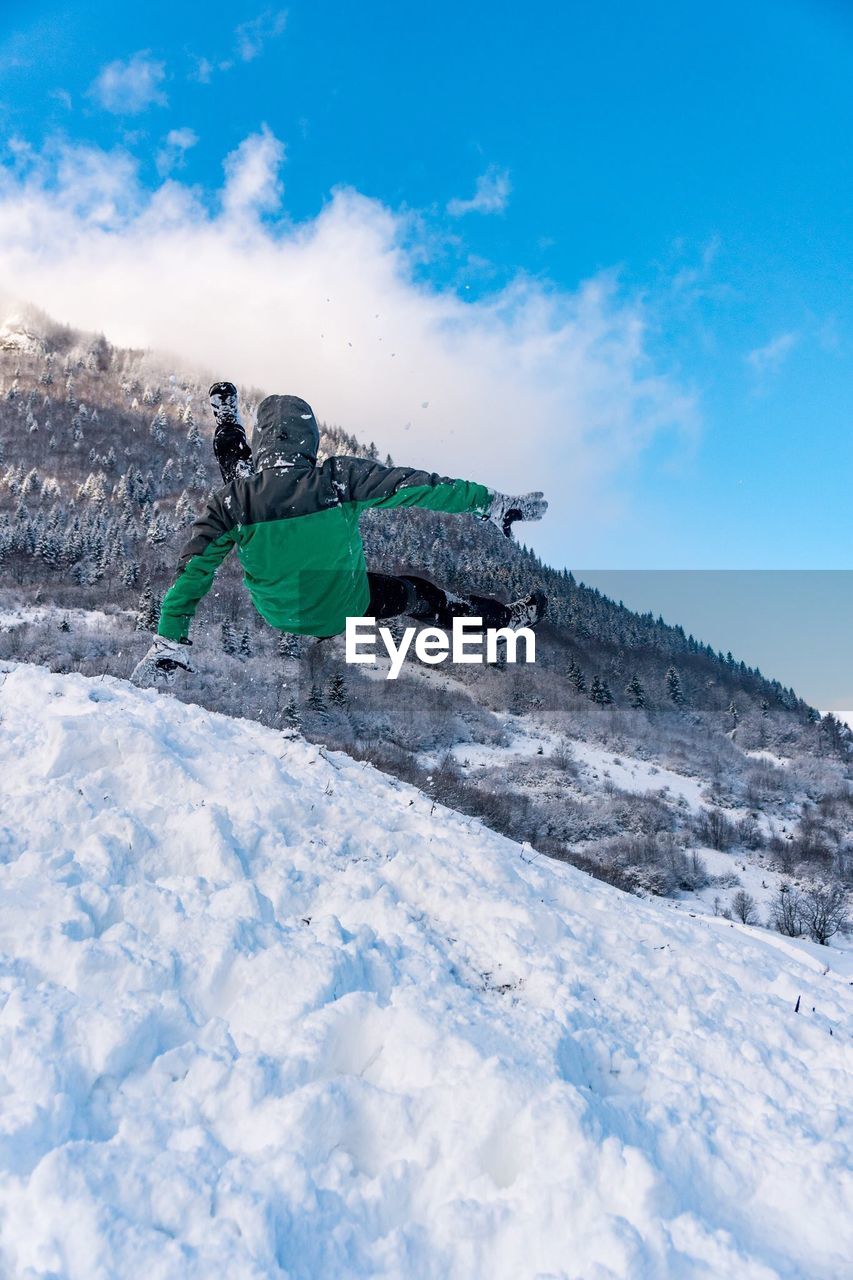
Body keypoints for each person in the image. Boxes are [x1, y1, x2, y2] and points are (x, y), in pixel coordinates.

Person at [133, 383, 548, 681]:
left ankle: (228, 422)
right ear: (309, 441)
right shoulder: (337, 480)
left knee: (238, 479)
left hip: (279, 613)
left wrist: (170, 639)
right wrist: (489, 503)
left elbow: (192, 576)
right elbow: (421, 486)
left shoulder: (233, 501)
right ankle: (502, 622)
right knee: (424, 597)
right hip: (345, 606)